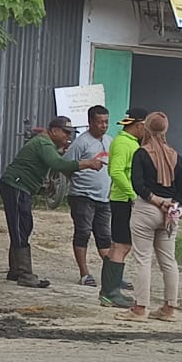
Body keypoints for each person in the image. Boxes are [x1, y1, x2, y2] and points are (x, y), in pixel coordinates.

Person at [0, 116, 94, 288]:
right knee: (21, 227)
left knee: (21, 227)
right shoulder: (44, 143)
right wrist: (87, 163)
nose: (68, 136)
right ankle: (25, 274)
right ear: (55, 130)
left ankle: (16, 270)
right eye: (65, 132)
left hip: (18, 186)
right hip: (17, 185)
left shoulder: (44, 143)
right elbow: (57, 164)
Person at [117, 112, 182, 322]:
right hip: (170, 212)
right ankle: (170, 308)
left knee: (143, 259)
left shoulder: (141, 154)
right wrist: (172, 205)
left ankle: (140, 308)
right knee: (169, 260)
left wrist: (157, 201)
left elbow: (138, 185)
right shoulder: (177, 157)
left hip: (148, 208)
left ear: (146, 129)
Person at [98, 108, 148, 308]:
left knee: (119, 245)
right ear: (139, 125)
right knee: (122, 245)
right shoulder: (123, 144)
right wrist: (132, 195)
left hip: (123, 199)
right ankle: (111, 292)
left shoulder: (129, 142)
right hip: (123, 200)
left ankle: (109, 290)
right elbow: (116, 171)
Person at [63, 105, 112, 288]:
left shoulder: (110, 141)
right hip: (82, 196)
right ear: (90, 122)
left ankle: (111, 275)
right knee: (83, 233)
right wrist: (77, 180)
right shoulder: (81, 143)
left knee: (105, 236)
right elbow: (66, 165)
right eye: (100, 122)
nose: (104, 125)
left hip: (103, 197)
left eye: (106, 122)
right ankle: (84, 274)